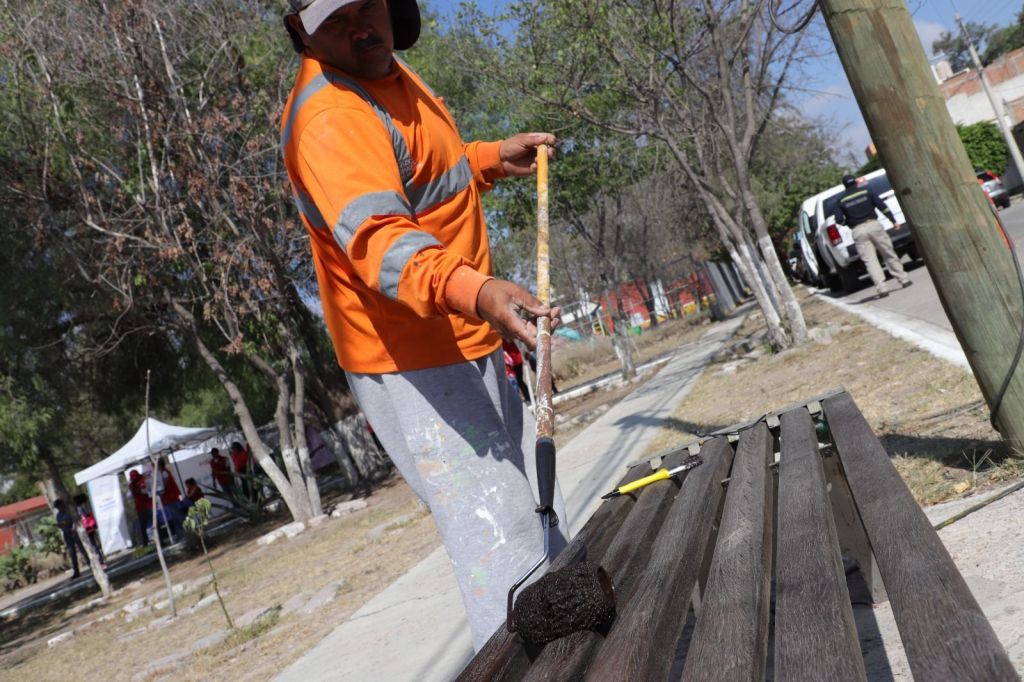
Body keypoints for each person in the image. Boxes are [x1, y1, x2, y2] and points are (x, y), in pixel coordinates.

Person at [281, 0, 569, 649]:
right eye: (336, 20)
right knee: (503, 542)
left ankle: (580, 649)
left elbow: (419, 170)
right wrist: (480, 291)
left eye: (367, 5)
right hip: (409, 359)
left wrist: (487, 159)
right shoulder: (329, 117)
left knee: (540, 509)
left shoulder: (384, 72)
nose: (361, 27)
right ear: (301, 30)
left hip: (463, 332)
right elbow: (382, 242)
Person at [834, 173, 912, 298]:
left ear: (844, 186)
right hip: (874, 225)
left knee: (870, 261)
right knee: (888, 253)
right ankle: (903, 279)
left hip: (858, 230)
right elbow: (882, 207)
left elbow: (838, 219)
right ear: (856, 182)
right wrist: (893, 221)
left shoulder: (841, 200)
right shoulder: (866, 191)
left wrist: (849, 223)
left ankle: (882, 289)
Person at [53, 499, 89, 579]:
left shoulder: (69, 511)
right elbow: (62, 525)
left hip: (74, 532)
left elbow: (74, 520)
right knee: (72, 553)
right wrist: (60, 525)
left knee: (82, 549)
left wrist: (67, 524)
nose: (59, 508)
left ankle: (90, 564)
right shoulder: (59, 515)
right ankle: (76, 571)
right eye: (57, 507)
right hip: (67, 534)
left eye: (59, 506)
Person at [73, 494, 106, 568]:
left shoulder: (79, 508)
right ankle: (101, 561)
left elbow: (84, 516)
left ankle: (100, 562)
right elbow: (87, 515)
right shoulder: (84, 507)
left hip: (87, 528)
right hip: (90, 527)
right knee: (94, 544)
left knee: (93, 545)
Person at [128, 470, 152, 547]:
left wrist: (137, 490)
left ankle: (161, 541)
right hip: (140, 508)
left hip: (148, 505)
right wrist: (133, 490)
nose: (134, 480)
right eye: (133, 478)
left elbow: (145, 491)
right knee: (142, 526)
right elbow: (130, 496)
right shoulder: (132, 485)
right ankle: (145, 543)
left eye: (135, 478)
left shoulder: (143, 480)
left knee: (154, 522)